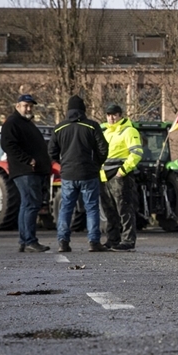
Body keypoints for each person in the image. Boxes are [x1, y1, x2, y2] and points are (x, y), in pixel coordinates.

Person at [48, 95, 109, 252]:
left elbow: (51, 151)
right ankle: (94, 242)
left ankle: (63, 241)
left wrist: (63, 164)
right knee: (92, 208)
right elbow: (103, 148)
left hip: (68, 174)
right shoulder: (92, 126)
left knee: (66, 208)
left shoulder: (59, 128)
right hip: (88, 173)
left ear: (68, 110)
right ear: (83, 110)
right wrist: (96, 164)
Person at [0, 94, 51, 253]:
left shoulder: (26, 123)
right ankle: (29, 240)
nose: (28, 108)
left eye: (30, 106)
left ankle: (25, 240)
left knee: (27, 204)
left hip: (31, 171)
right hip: (25, 171)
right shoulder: (12, 123)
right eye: (25, 105)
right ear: (17, 106)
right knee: (31, 204)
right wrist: (28, 160)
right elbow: (8, 145)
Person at [100, 104, 143, 251]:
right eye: (109, 115)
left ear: (120, 115)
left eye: (114, 115)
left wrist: (122, 171)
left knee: (124, 208)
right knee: (109, 210)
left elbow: (136, 153)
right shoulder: (106, 132)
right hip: (105, 176)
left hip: (120, 175)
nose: (111, 118)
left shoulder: (129, 131)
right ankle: (113, 239)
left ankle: (128, 241)